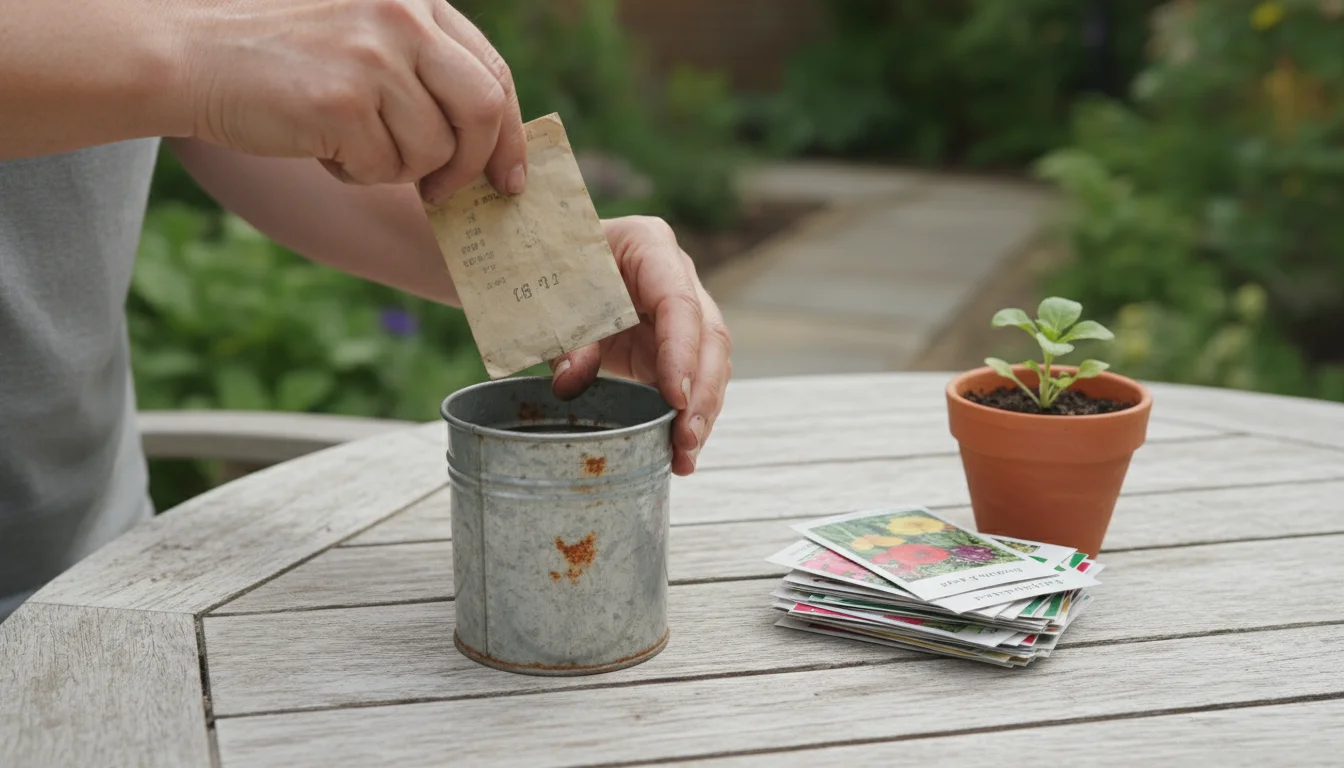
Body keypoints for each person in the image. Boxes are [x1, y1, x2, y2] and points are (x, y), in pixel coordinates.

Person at [0, 0, 732, 622]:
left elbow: (211, 122)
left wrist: (563, 267)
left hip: (99, 571)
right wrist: (200, 52)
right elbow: (193, 76)